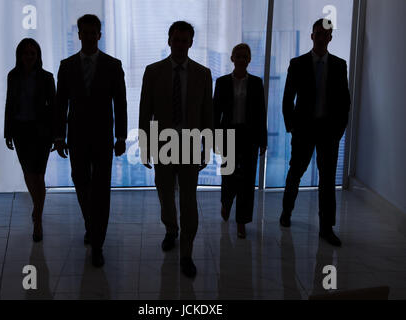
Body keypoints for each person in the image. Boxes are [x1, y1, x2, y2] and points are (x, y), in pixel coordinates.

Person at [138, 21, 213, 278]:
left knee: (189, 199)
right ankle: (171, 229)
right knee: (165, 194)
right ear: (169, 41)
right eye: (176, 39)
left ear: (191, 43)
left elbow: (207, 114)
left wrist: (207, 148)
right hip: (162, 145)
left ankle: (187, 252)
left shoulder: (203, 74)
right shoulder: (153, 71)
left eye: (185, 40)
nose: (180, 45)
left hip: (191, 145)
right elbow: (144, 110)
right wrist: (144, 145)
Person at [54, 14, 127, 267]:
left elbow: (120, 102)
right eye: (84, 32)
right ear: (79, 35)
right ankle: (91, 223)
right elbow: (60, 103)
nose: (88, 36)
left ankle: (97, 243)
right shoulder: (67, 66)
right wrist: (59, 135)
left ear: (99, 34)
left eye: (92, 32)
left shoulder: (112, 65)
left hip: (104, 135)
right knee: (80, 181)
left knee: (101, 189)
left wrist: (121, 136)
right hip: (76, 135)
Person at [279, 19, 351, 247]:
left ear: (330, 38)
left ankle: (326, 227)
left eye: (325, 35)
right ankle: (286, 211)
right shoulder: (297, 63)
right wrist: (291, 126)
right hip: (303, 129)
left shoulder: (339, 65)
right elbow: (288, 97)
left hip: (329, 131)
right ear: (312, 36)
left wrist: (339, 131)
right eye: (317, 34)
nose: (321, 38)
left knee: (328, 179)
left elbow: (344, 102)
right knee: (295, 172)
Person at [213, 43, 267, 239]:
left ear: (249, 60)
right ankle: (226, 202)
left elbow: (261, 112)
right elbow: (215, 112)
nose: (242, 60)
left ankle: (242, 221)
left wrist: (263, 139)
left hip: (249, 135)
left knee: (247, 179)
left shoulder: (256, 83)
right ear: (232, 58)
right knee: (228, 175)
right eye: (239, 56)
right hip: (228, 134)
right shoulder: (222, 82)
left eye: (245, 57)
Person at [4, 38, 55, 242]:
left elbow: (54, 107)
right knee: (28, 173)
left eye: (33, 53)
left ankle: (39, 220)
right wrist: (7, 131)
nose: (29, 57)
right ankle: (37, 207)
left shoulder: (46, 77)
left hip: (40, 132)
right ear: (20, 55)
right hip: (20, 131)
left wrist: (55, 134)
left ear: (38, 56)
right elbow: (9, 103)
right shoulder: (13, 76)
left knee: (39, 175)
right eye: (26, 53)